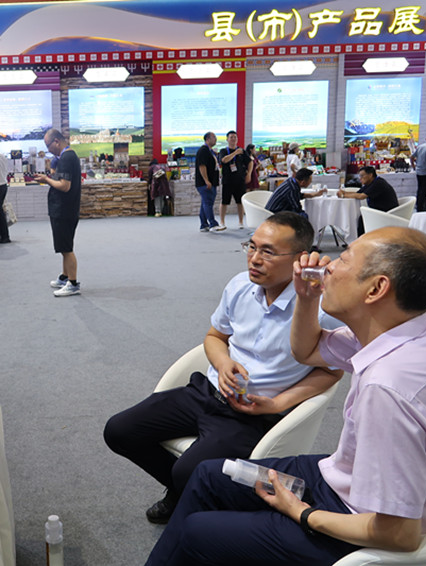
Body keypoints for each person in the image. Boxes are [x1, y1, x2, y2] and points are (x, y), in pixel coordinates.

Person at [147, 227, 426, 566]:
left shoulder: (387, 389)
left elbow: (398, 533)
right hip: (346, 477)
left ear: (376, 288)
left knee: (196, 531)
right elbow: (307, 351)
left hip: (358, 520)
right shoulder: (420, 327)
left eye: (344, 259)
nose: (328, 265)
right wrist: (307, 299)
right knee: (208, 476)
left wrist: (302, 513)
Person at [104, 212, 341, 525]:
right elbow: (215, 337)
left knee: (186, 471)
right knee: (119, 431)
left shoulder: (317, 308)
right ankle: (189, 492)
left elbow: (332, 372)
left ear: (300, 258)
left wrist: (276, 404)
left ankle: (185, 491)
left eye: (268, 252)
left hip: (251, 414)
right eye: (251, 247)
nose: (254, 259)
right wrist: (223, 362)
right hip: (206, 392)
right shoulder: (240, 285)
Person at [34, 128, 82, 297]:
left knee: (66, 247)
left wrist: (46, 179)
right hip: (63, 208)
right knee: (63, 246)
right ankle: (65, 276)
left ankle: (73, 283)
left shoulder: (67, 157)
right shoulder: (66, 157)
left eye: (48, 145)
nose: (48, 150)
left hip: (64, 209)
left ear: (56, 141)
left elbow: (64, 186)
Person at [338, 166, 398, 236]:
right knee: (358, 216)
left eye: (362, 176)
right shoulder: (371, 183)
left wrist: (343, 195)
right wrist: (344, 192)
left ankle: (360, 239)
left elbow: (361, 196)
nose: (360, 178)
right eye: (359, 176)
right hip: (379, 211)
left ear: (370, 175)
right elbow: (358, 193)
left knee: (362, 218)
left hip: (386, 213)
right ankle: (356, 238)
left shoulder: (378, 183)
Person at [195, 132, 224, 233]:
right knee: (208, 203)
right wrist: (206, 180)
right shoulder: (203, 151)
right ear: (208, 139)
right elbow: (202, 166)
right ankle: (213, 223)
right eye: (214, 137)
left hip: (212, 181)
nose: (216, 139)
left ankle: (203, 224)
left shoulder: (210, 151)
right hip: (205, 183)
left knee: (205, 203)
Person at [219, 130, 247, 229]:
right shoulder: (223, 151)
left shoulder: (242, 151)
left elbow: (250, 162)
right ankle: (222, 222)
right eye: (231, 137)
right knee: (224, 202)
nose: (233, 139)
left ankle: (241, 222)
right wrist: (235, 153)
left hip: (240, 180)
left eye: (235, 137)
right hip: (228, 180)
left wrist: (248, 174)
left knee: (240, 202)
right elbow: (224, 160)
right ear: (227, 139)